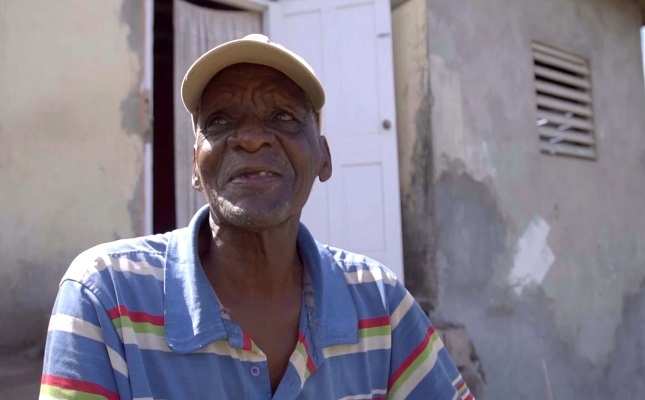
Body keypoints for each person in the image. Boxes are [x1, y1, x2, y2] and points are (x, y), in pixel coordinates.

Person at [40, 34, 474, 400]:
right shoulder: (106, 296)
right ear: (195, 167)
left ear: (323, 158)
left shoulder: (380, 304)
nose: (249, 138)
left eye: (282, 117)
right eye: (220, 121)